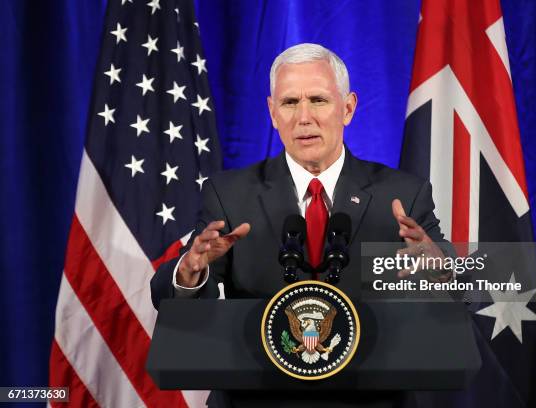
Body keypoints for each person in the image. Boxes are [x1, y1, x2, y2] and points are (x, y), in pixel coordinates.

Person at [150, 43, 449, 407]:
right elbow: (167, 294)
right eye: (290, 103)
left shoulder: (402, 195)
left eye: (319, 100)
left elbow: (462, 293)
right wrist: (190, 272)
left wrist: (439, 270)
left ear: (348, 108)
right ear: (272, 112)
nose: (303, 117)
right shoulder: (230, 194)